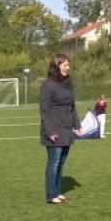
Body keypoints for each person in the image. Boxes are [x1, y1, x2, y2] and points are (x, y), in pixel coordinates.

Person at [39, 53, 79, 205]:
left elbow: (72, 106)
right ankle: (50, 195)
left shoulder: (67, 84)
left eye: (68, 65)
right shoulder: (48, 85)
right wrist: (50, 131)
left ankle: (57, 191)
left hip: (66, 128)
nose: (68, 67)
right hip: (54, 130)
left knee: (61, 162)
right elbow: (44, 111)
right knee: (53, 163)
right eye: (64, 65)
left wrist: (77, 125)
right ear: (56, 66)